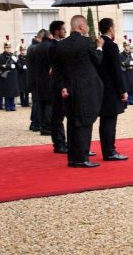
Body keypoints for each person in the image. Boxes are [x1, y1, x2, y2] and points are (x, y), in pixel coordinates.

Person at [54, 15, 104, 168]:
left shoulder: (61, 45)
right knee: (84, 122)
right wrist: (100, 46)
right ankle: (82, 158)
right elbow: (97, 60)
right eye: (86, 26)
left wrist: (62, 86)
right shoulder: (86, 42)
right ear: (81, 26)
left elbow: (57, 69)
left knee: (72, 122)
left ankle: (72, 158)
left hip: (68, 88)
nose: (87, 28)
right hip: (85, 88)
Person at [96, 18, 129, 161]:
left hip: (99, 88)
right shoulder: (111, 46)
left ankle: (107, 149)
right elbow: (116, 71)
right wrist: (123, 90)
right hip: (110, 89)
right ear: (110, 28)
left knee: (105, 121)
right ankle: (110, 151)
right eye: (114, 27)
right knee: (110, 122)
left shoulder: (96, 44)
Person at [48, 21, 68, 152]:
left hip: (59, 83)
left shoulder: (58, 45)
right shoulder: (54, 46)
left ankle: (61, 141)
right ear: (56, 31)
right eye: (63, 30)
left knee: (60, 115)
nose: (65, 32)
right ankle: (59, 143)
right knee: (57, 115)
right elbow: (58, 67)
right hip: (58, 84)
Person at [0, 42, 19, 111]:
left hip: (13, 75)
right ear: (4, 48)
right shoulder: (1, 56)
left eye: (9, 47)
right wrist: (9, 66)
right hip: (7, 75)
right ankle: (7, 106)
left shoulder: (13, 55)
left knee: (13, 91)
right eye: (6, 47)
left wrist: (16, 61)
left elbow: (18, 66)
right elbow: (0, 66)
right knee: (7, 91)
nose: (8, 49)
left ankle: (12, 105)